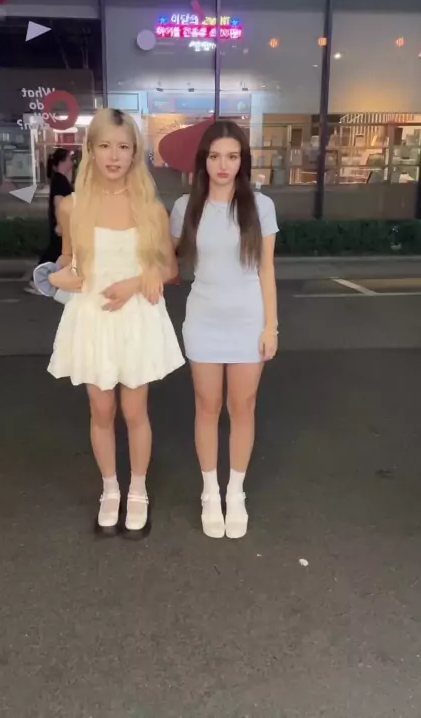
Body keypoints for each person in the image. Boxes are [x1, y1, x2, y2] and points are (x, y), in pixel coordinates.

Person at [47, 108, 184, 539]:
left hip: (136, 317)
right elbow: (69, 261)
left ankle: (137, 489)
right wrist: (55, 276)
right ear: (90, 149)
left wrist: (135, 282)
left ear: (134, 153)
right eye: (105, 145)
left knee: (134, 410)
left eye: (123, 147)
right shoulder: (72, 206)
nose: (114, 155)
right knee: (101, 410)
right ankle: (110, 489)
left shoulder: (150, 208)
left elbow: (168, 269)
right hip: (92, 317)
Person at [170, 120, 278, 540]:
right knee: (206, 406)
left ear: (242, 160)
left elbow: (266, 270)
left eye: (232, 156)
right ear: (203, 160)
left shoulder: (260, 206)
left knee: (243, 406)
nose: (223, 165)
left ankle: (236, 492)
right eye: (215, 156)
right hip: (203, 319)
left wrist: (271, 326)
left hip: (248, 319)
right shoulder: (186, 207)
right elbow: (165, 259)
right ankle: (209, 493)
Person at [25, 148, 74, 294]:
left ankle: (47, 280)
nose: (72, 162)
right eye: (70, 159)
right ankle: (38, 281)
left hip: (61, 222)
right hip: (61, 223)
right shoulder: (60, 180)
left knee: (55, 251)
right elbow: (58, 202)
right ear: (63, 162)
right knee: (54, 252)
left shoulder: (60, 178)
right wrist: (60, 223)